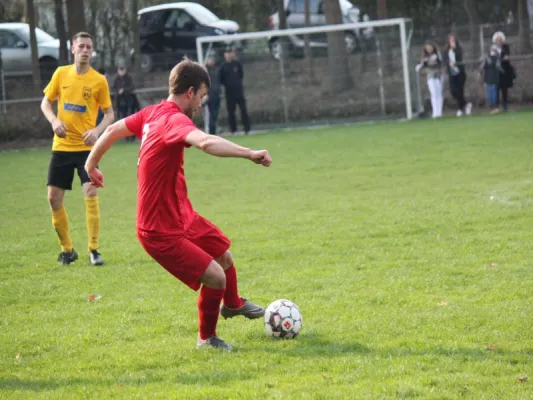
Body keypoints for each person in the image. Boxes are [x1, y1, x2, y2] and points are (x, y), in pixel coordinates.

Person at [84, 58, 272, 351]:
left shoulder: (152, 113)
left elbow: (110, 132)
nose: (201, 103)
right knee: (215, 276)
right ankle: (206, 339)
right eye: (202, 96)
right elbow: (206, 143)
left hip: (181, 215)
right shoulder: (173, 119)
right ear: (190, 92)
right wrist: (249, 153)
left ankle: (232, 304)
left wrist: (91, 163)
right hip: (159, 230)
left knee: (224, 254)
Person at [40, 32, 114, 266]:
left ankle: (94, 249)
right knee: (53, 199)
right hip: (61, 147)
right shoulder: (61, 73)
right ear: (72, 49)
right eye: (81, 46)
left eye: (89, 47)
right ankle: (67, 250)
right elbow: (45, 102)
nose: (85, 50)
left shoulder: (99, 81)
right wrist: (54, 121)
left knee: (91, 192)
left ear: (92, 51)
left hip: (86, 149)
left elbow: (110, 114)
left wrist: (97, 130)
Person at [219, 46, 250, 134]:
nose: (229, 55)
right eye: (227, 53)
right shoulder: (223, 66)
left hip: (239, 92)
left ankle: (247, 129)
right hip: (229, 93)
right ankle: (233, 130)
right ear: (225, 54)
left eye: (230, 53)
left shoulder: (237, 64)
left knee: (243, 110)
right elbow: (221, 80)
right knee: (231, 112)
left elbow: (241, 75)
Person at [442, 33, 472, 117]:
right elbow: (444, 60)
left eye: (453, 40)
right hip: (452, 73)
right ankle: (466, 104)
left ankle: (460, 109)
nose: (452, 41)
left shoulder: (459, 49)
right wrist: (449, 62)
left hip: (460, 73)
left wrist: (454, 49)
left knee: (460, 91)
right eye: (450, 40)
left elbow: (459, 57)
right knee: (453, 91)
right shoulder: (446, 51)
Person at [418, 41, 444, 118]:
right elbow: (423, 65)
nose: (429, 49)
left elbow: (441, 62)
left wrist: (436, 59)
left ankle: (439, 112)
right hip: (430, 76)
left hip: (438, 75)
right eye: (428, 47)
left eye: (430, 47)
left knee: (439, 93)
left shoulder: (437, 54)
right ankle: (435, 112)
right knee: (433, 93)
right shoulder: (425, 56)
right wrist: (421, 65)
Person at [112, 65, 137, 141]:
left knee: (131, 119)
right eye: (120, 70)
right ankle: (127, 137)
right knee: (123, 120)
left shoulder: (129, 78)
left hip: (129, 102)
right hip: (120, 103)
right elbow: (113, 88)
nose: (121, 72)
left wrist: (124, 90)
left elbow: (132, 87)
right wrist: (118, 91)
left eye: (123, 70)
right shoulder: (116, 79)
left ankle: (132, 136)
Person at [492, 31, 515, 112]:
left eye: (500, 39)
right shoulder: (493, 48)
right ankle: (496, 107)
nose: (499, 40)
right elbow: (492, 57)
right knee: (496, 89)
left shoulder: (506, 47)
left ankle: (505, 106)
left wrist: (505, 56)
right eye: (497, 39)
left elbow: (507, 56)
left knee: (505, 89)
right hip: (496, 71)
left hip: (505, 70)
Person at [479, 44, 504, 113]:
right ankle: (492, 106)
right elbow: (482, 66)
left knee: (492, 90)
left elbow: (498, 67)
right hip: (489, 76)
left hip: (493, 76)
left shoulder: (495, 57)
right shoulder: (489, 57)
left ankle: (493, 106)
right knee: (491, 90)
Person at [204, 55, 221, 135]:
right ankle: (212, 132)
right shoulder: (205, 71)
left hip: (217, 95)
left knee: (215, 114)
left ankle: (213, 131)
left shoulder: (216, 70)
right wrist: (206, 94)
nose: (211, 61)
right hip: (210, 95)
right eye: (210, 60)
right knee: (212, 114)